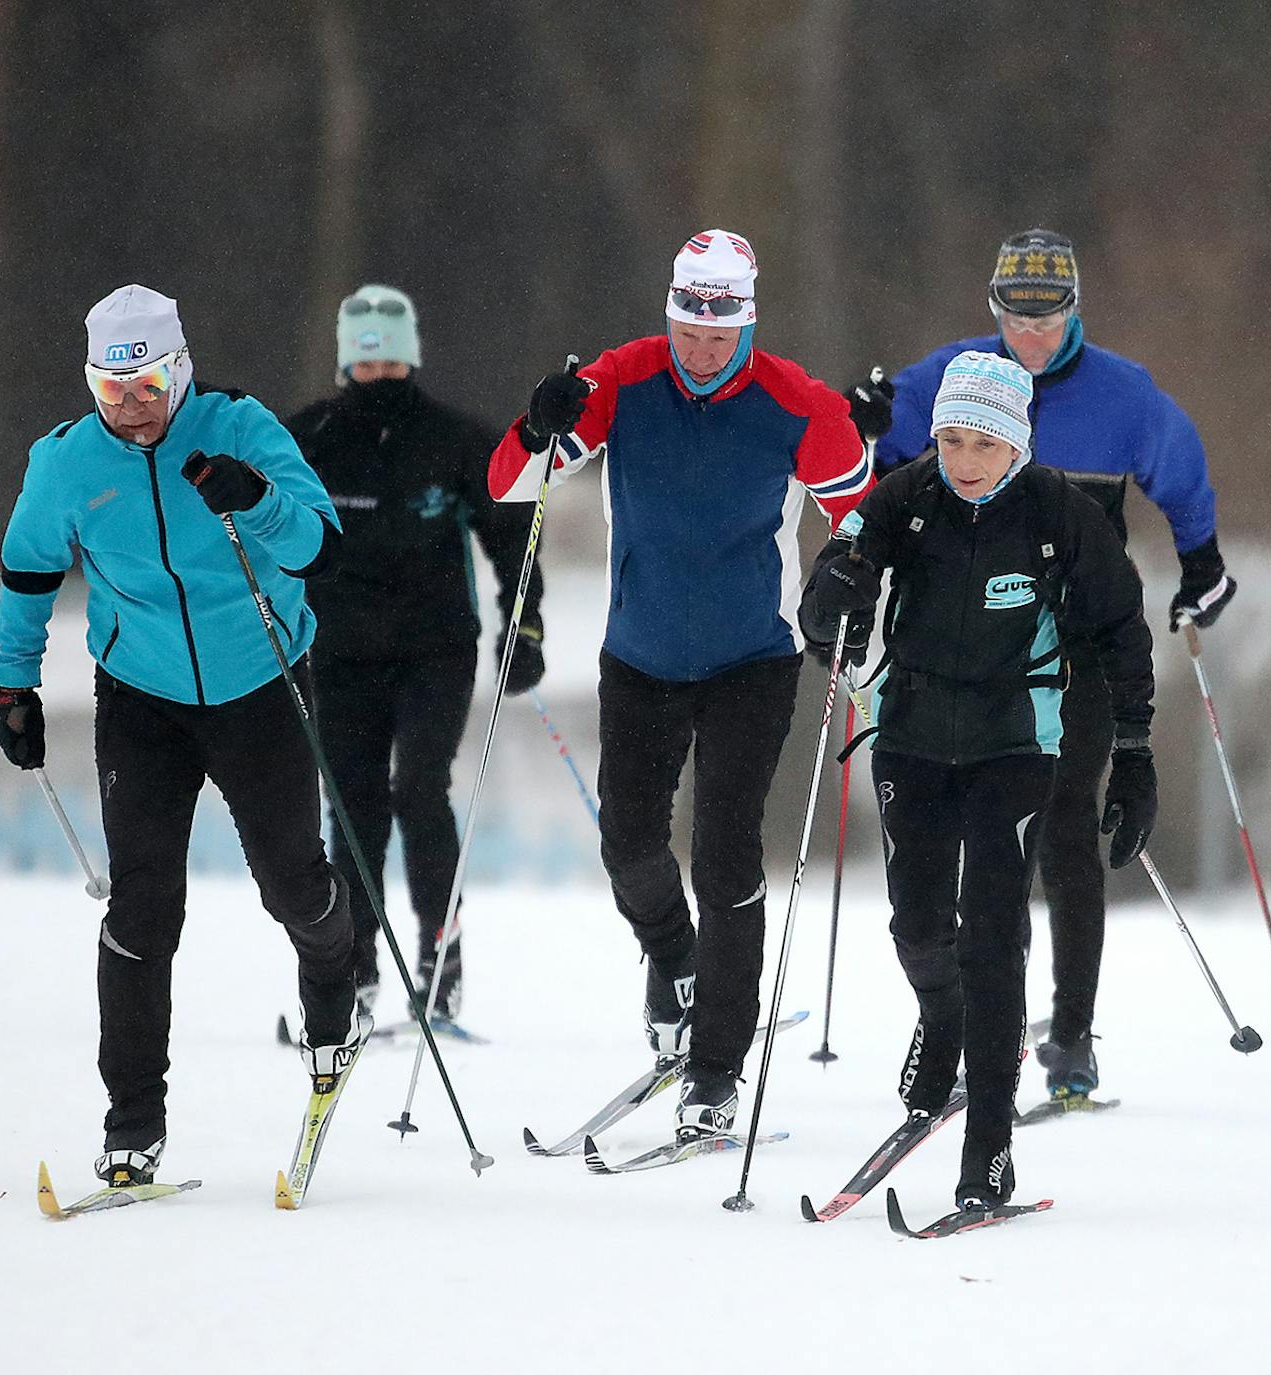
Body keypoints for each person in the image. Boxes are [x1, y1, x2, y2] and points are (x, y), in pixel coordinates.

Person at [488, 229, 871, 1139]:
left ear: (745, 321)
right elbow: (511, 484)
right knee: (629, 845)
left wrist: (851, 573)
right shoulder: (622, 380)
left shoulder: (795, 400)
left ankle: (715, 1070)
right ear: (670, 314)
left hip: (752, 658)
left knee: (728, 854)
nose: (701, 351)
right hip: (643, 656)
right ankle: (677, 959)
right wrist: (536, 422)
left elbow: (867, 511)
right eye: (687, 330)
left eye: (719, 333)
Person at [844, 227, 1228, 1105]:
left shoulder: (1123, 394)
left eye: (1049, 319)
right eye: (1014, 318)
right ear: (993, 311)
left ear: (1074, 309)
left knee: (1062, 822)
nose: (1031, 336)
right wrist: (857, 418)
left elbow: (1181, 469)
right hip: (973, 640)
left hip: (1081, 641)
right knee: (986, 847)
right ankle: (981, 1019)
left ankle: (1072, 1030)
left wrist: (1200, 559)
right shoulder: (957, 376)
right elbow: (871, 451)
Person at [0, 285, 364, 1185]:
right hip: (141, 696)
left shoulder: (240, 428)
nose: (131, 407)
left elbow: (324, 546)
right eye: (110, 389)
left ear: (179, 370)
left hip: (260, 680)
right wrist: (14, 685)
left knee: (293, 884)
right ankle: (132, 1119)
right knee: (142, 907)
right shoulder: (67, 463)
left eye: (148, 384)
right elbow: (30, 566)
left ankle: (331, 996)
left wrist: (257, 499)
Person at [800, 351, 1157, 1208]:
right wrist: (834, 599)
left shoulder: (1058, 514)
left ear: (1018, 445)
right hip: (913, 733)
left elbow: (1120, 626)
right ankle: (941, 1014)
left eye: (984, 444)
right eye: (952, 439)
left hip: (1015, 744)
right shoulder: (907, 498)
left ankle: (989, 1146)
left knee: (993, 938)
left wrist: (1136, 752)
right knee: (919, 926)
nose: (965, 460)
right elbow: (834, 586)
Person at [288, 285, 545, 1027]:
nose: (380, 379)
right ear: (345, 364)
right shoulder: (308, 437)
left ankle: (441, 959)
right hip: (339, 653)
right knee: (354, 804)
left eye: (393, 363)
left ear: (413, 358)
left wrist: (523, 625)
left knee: (420, 787)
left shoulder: (454, 438)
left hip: (435, 648)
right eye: (367, 367)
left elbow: (512, 533)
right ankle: (354, 968)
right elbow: (261, 526)